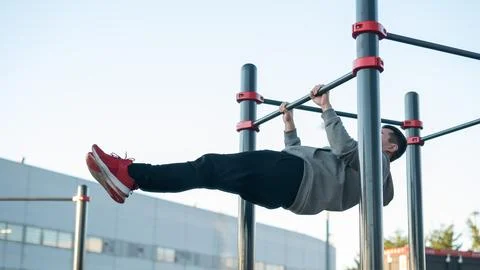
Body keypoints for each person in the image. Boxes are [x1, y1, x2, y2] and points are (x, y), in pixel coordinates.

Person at [85, 84, 407, 215]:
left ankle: (130, 174)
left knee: (208, 167)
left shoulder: (379, 163)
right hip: (288, 191)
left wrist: (326, 109)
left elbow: (346, 149)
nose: (373, 134)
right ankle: (132, 179)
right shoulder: (364, 174)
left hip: (294, 178)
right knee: (207, 174)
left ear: (391, 146)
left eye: (380, 133)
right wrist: (290, 127)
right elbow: (310, 158)